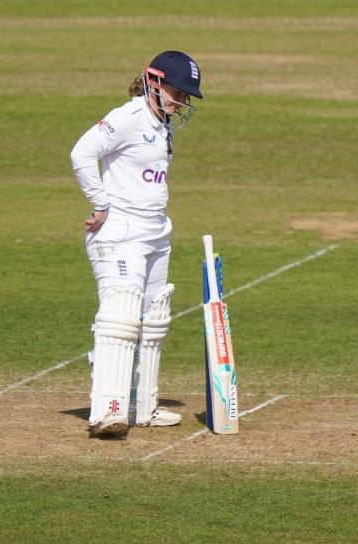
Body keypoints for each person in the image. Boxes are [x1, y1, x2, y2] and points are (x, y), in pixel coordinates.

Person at [69, 51, 203, 437]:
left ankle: (144, 406)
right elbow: (82, 152)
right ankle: (108, 410)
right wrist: (100, 202)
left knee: (153, 318)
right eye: (177, 93)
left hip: (156, 231)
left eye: (186, 96)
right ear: (153, 81)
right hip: (120, 232)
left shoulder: (162, 124)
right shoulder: (127, 118)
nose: (182, 102)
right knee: (121, 316)